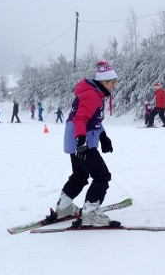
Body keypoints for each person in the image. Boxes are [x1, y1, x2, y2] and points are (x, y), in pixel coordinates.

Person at [53, 61, 118, 227]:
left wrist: (103, 136)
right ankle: (90, 213)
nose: (114, 86)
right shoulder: (92, 95)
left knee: (80, 176)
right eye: (112, 82)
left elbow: (92, 120)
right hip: (82, 143)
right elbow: (80, 119)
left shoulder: (93, 93)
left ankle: (64, 207)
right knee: (102, 176)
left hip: (77, 141)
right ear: (103, 82)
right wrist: (81, 142)